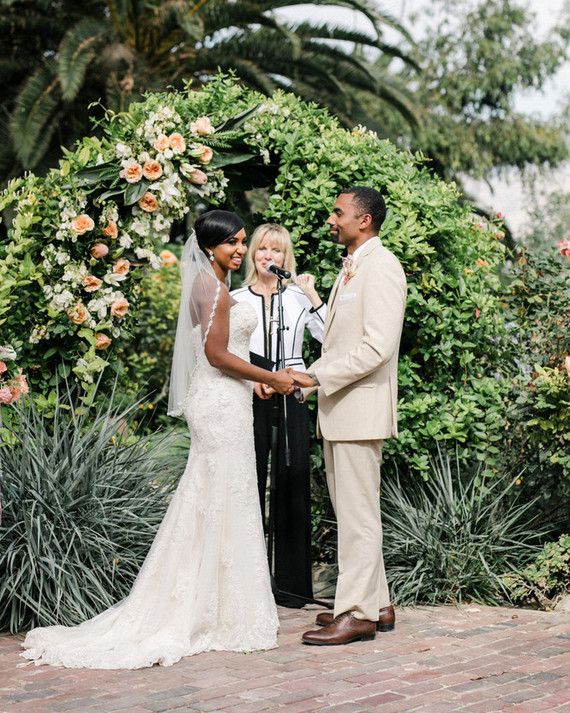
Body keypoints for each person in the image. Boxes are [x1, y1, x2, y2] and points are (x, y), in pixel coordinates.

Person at [22, 210, 295, 669]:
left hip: (226, 398)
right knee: (224, 493)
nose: (242, 250)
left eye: (243, 241)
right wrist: (271, 376)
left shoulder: (210, 283)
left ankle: (222, 605)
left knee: (219, 496)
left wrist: (255, 382)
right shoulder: (212, 287)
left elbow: (223, 355)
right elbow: (215, 354)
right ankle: (215, 613)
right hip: (220, 405)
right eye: (234, 243)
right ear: (211, 247)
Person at [290, 187, 407, 646]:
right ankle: (377, 602)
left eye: (338, 212)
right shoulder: (353, 266)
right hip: (341, 411)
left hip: (358, 411)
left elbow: (378, 348)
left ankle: (356, 613)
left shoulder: (383, 266)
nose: (330, 219)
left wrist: (316, 376)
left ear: (364, 220)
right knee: (355, 512)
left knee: (358, 517)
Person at [230, 223, 327, 607]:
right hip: (250, 391)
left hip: (293, 390)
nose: (269, 257)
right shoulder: (237, 297)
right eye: (262, 250)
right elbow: (228, 349)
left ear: (286, 258)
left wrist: (313, 293)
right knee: (248, 480)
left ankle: (291, 588)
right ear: (253, 255)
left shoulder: (299, 299)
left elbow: (328, 337)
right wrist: (254, 380)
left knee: (293, 481)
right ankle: (246, 583)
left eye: (277, 251)